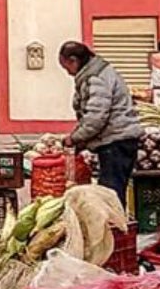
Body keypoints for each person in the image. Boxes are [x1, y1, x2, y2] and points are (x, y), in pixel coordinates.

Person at [58, 41, 142, 200]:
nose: (68, 72)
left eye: (66, 67)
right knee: (113, 191)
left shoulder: (96, 78)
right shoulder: (96, 73)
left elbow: (96, 116)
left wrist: (75, 138)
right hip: (117, 139)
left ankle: (114, 224)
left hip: (116, 141)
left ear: (74, 60)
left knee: (110, 194)